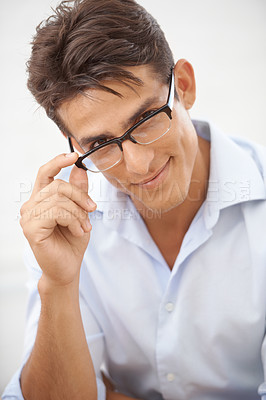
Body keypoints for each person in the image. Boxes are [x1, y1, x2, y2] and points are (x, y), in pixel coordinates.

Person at [2, 0, 266, 399]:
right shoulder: (63, 226)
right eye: (101, 143)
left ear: (186, 87)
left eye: (146, 119)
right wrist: (59, 284)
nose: (139, 165)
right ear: (75, 146)